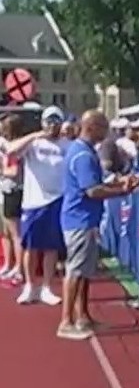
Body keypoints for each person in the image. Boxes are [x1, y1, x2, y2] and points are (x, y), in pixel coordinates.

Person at [58, 110, 138, 340]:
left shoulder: (83, 151)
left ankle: (82, 316)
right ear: (91, 127)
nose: (107, 132)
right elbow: (92, 190)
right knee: (75, 270)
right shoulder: (82, 155)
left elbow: (96, 184)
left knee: (84, 270)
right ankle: (66, 321)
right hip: (79, 219)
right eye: (103, 127)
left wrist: (117, 184)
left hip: (85, 218)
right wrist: (121, 190)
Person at [4, 106, 72, 305]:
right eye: (49, 121)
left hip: (56, 200)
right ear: (42, 123)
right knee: (30, 247)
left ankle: (47, 288)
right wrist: (36, 135)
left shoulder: (67, 145)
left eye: (56, 121)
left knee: (51, 248)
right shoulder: (33, 143)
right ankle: (30, 287)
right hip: (33, 202)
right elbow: (11, 150)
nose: (52, 125)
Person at [0, 114, 25, 285]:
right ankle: (8, 264)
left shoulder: (14, 148)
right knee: (5, 232)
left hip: (13, 191)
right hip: (4, 191)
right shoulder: (5, 145)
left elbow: (14, 171)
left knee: (16, 234)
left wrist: (1, 170)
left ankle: (19, 268)